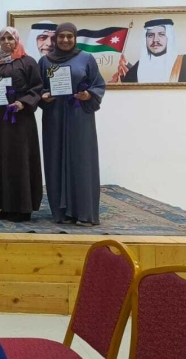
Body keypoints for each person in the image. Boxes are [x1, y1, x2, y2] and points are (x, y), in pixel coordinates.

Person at [39, 23, 106, 226]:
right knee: (55, 160)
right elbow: (37, 88)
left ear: (75, 38)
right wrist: (44, 96)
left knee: (82, 161)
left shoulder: (86, 58)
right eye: (61, 36)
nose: (65, 40)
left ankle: (84, 212)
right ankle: (61, 213)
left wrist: (88, 95)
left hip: (79, 117)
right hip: (54, 117)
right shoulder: (45, 61)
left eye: (70, 36)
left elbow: (98, 84)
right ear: (56, 38)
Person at [0, 28, 44, 222]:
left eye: (10, 38)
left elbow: (37, 88)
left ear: (17, 40)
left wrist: (23, 102)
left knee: (19, 161)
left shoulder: (28, 62)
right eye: (3, 38)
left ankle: (22, 208)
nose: (6, 41)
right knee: (1, 161)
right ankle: (5, 205)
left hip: (20, 123)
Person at [121, 19, 186, 83]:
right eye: (150, 35)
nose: (155, 40)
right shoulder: (138, 66)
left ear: (169, 37)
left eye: (161, 34)